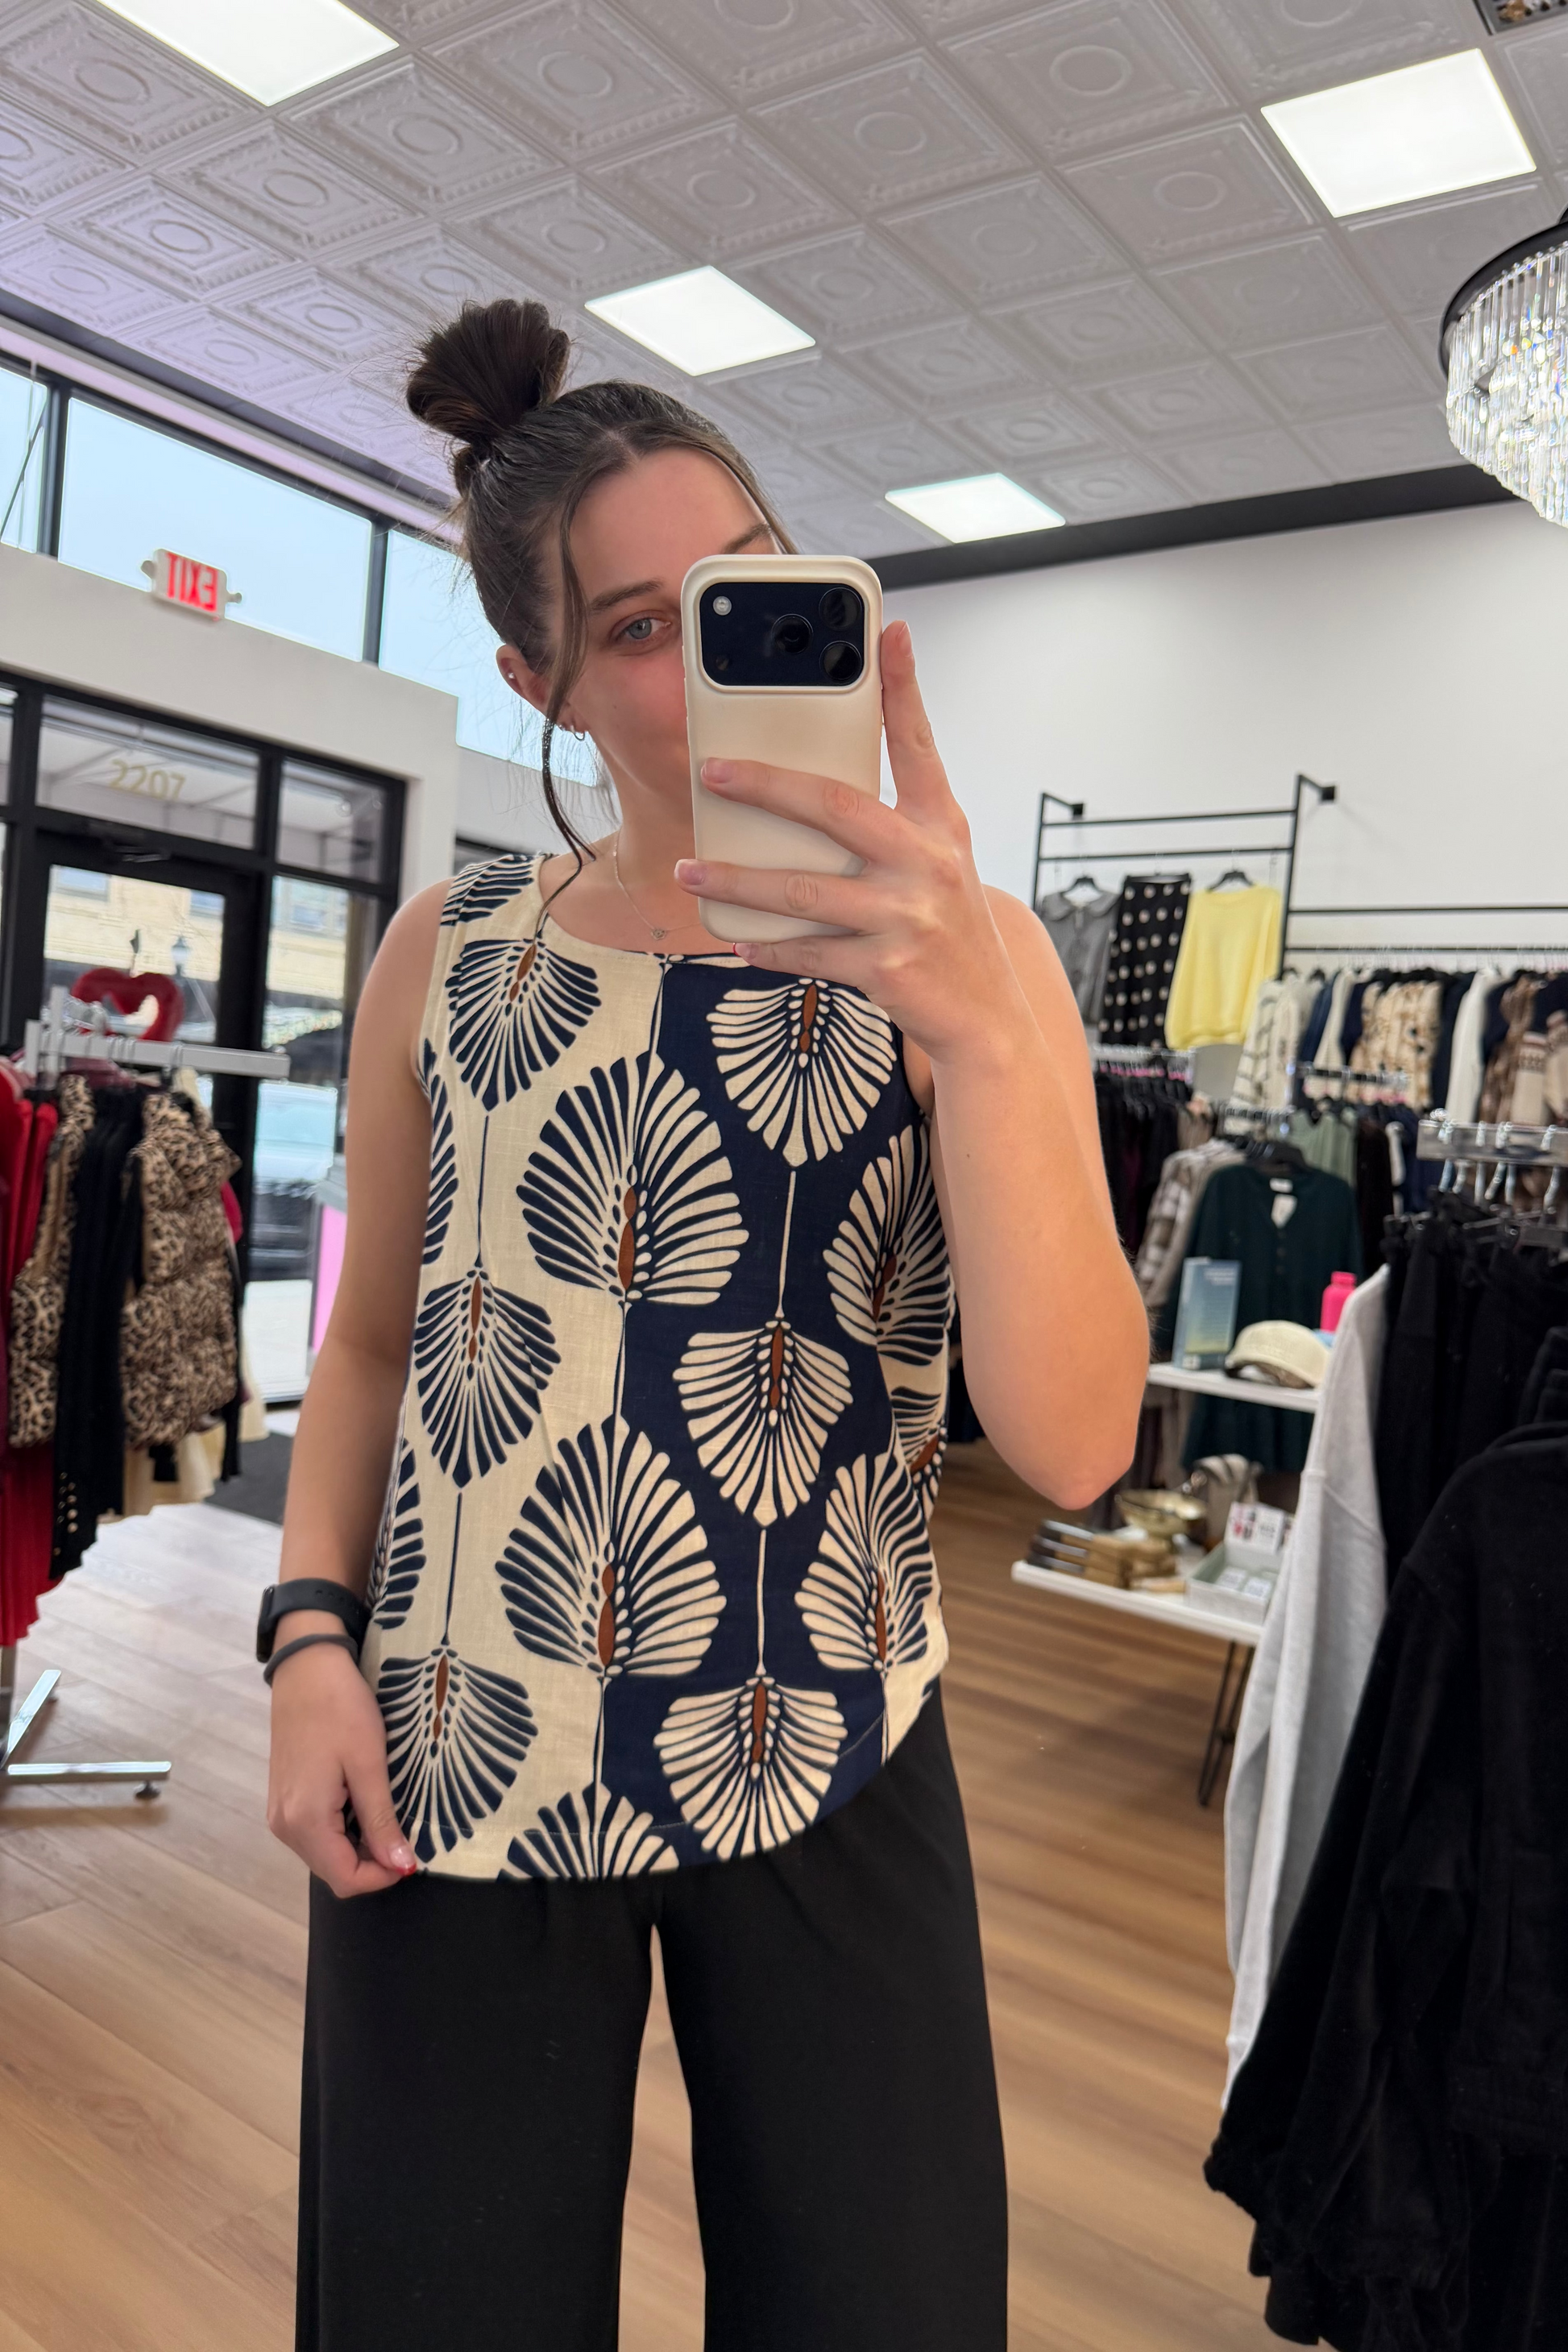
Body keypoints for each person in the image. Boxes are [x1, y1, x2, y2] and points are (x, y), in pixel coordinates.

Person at [264, 297, 1148, 2352]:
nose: (720, 654)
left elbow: (1079, 1445)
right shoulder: (449, 953)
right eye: (646, 624)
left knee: (887, 2307)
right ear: (539, 678)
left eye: (748, 585)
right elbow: (372, 1343)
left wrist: (988, 1036)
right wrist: (308, 1637)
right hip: (456, 1742)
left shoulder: (972, 956)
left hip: (827, 1733)